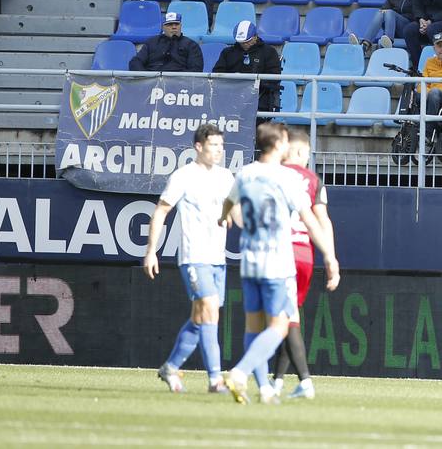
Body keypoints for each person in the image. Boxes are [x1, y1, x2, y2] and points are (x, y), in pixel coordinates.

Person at [218, 123, 339, 404]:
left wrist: (225, 219)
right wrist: (330, 257)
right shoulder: (287, 178)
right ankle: (240, 372)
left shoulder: (245, 173)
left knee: (253, 327)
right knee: (280, 327)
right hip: (277, 262)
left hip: (249, 261)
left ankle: (264, 390)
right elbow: (310, 220)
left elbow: (228, 204)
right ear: (279, 144)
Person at [143, 123, 235, 395]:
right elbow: (161, 211)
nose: (219, 150)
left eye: (221, 145)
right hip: (194, 256)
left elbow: (233, 208)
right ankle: (216, 380)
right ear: (198, 146)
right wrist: (151, 250)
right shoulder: (183, 176)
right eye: (213, 145)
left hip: (218, 257)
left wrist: (233, 216)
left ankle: (171, 367)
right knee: (208, 313)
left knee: (202, 319)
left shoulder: (226, 176)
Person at [267, 130, 332, 400]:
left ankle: (305, 381)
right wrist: (331, 256)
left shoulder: (273, 176)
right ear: (302, 152)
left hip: (281, 253)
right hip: (305, 254)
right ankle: (278, 382)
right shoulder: (314, 180)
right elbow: (323, 221)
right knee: (289, 318)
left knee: (286, 321)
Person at [212, 21, 282, 112]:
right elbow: (217, 73)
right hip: (230, 96)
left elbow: (274, 76)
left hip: (259, 97)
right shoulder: (228, 53)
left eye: (247, 42)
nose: (244, 45)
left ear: (255, 37)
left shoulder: (268, 52)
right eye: (241, 42)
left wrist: (253, 82)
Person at [129, 10, 203, 72]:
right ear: (163, 27)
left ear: (181, 26)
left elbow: (196, 69)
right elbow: (135, 62)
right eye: (170, 24)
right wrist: (145, 78)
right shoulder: (151, 42)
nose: (174, 27)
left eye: (176, 24)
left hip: (180, 83)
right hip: (152, 81)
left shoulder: (191, 45)